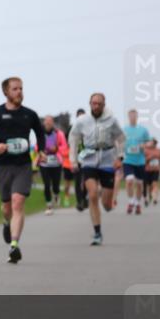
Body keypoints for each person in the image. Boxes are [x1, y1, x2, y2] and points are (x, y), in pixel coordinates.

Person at [0, 77, 45, 264]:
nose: (19, 92)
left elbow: (40, 132)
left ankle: (14, 245)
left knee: (17, 202)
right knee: (6, 207)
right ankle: (6, 222)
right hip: (4, 166)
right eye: (15, 89)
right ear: (6, 92)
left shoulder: (30, 114)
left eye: (21, 88)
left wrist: (41, 151)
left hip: (23, 165)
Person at [68, 93, 124, 245]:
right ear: (90, 104)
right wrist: (73, 160)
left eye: (99, 104)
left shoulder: (111, 120)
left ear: (104, 104)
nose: (96, 106)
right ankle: (97, 232)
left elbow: (121, 138)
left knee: (106, 205)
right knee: (92, 195)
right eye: (93, 103)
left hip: (107, 158)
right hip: (89, 159)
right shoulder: (82, 121)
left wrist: (120, 158)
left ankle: (106, 199)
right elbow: (73, 139)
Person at [122, 109, 152, 215]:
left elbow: (149, 141)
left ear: (137, 117)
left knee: (139, 184)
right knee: (129, 181)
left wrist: (145, 145)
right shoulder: (124, 129)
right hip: (128, 160)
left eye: (134, 116)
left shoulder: (143, 130)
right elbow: (119, 141)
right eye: (131, 116)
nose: (132, 118)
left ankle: (138, 203)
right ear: (128, 117)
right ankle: (130, 202)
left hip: (140, 161)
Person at [38, 115, 68, 215]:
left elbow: (64, 146)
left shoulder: (59, 134)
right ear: (44, 123)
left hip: (56, 162)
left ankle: (56, 194)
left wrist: (56, 149)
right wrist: (42, 151)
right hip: (44, 162)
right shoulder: (40, 133)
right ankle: (49, 205)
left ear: (53, 123)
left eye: (50, 121)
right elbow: (37, 146)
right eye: (46, 121)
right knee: (46, 185)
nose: (48, 123)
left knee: (55, 185)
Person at [71, 109, 89, 212]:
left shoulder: (90, 129)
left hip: (88, 159)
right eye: (79, 116)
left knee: (87, 181)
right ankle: (79, 202)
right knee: (77, 182)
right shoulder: (73, 130)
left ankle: (85, 198)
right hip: (77, 159)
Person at [144, 139, 160, 207]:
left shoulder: (158, 150)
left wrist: (159, 165)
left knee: (155, 184)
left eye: (152, 143)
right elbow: (143, 161)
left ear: (155, 144)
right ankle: (150, 195)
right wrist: (149, 158)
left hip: (156, 170)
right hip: (147, 170)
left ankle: (155, 198)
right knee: (149, 186)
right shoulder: (145, 150)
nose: (151, 144)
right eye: (150, 143)